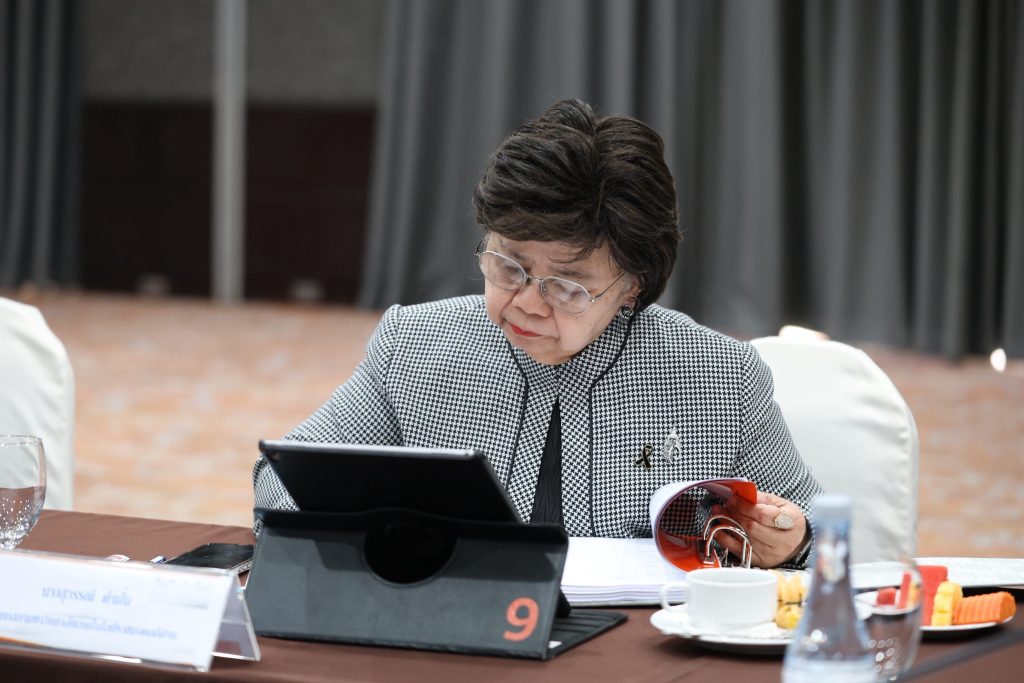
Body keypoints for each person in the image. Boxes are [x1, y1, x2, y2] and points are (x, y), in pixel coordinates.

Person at [253, 98, 822, 568]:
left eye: (567, 286)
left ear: (633, 285)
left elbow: (820, 529)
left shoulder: (719, 375)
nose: (526, 302)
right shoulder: (415, 344)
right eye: (509, 266)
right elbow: (283, 478)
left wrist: (793, 542)